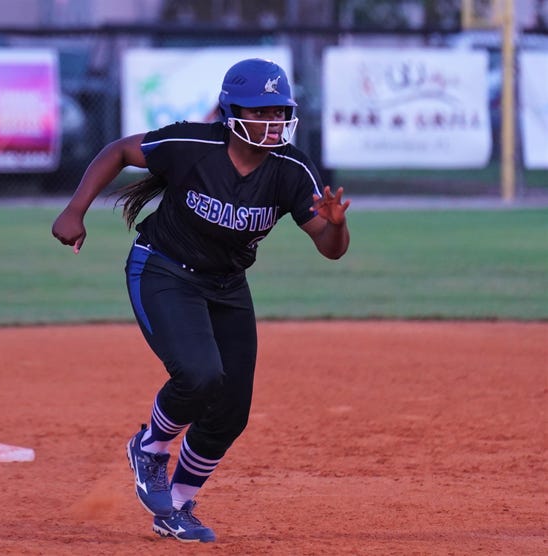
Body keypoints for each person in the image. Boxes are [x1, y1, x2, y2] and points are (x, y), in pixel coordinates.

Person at [51, 58, 350, 543]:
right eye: (260, 112)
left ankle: (177, 507)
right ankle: (149, 447)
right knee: (200, 374)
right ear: (231, 113)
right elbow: (119, 150)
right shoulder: (191, 144)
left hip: (227, 285)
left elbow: (330, 249)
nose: (273, 123)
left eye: (280, 111)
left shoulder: (293, 170)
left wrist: (336, 225)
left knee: (231, 410)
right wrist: (74, 209)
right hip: (163, 268)